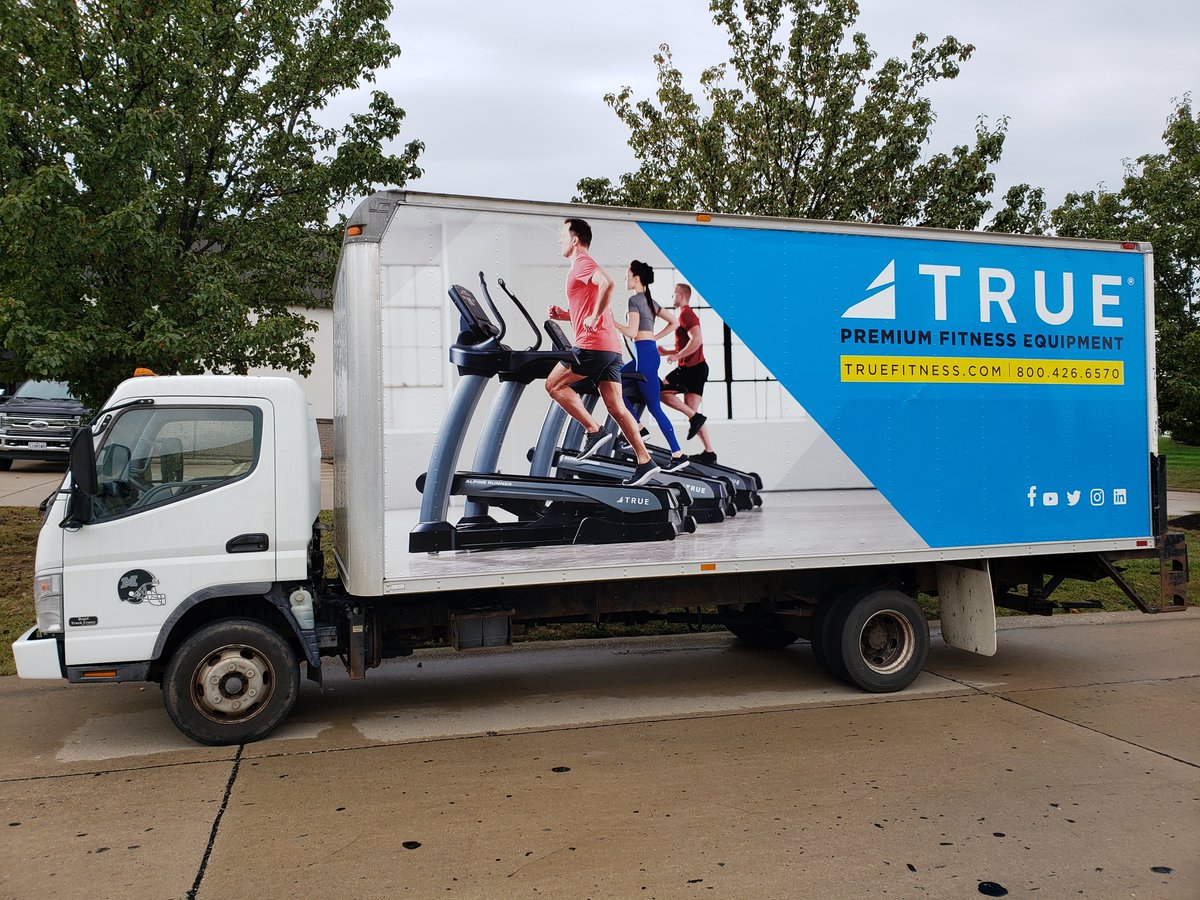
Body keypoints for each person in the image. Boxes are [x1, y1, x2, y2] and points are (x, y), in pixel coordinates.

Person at [546, 218, 661, 487]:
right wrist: (566, 314)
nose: (560, 239)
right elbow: (590, 303)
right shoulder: (581, 266)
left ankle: (594, 430)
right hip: (611, 348)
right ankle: (645, 460)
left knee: (553, 385)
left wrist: (594, 317)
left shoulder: (582, 262)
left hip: (592, 345)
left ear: (575, 239)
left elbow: (607, 284)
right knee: (617, 407)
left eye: (563, 234)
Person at [613, 260, 690, 472]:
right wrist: (653, 338)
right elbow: (674, 322)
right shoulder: (650, 301)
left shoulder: (634, 300)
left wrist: (613, 322)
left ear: (636, 278)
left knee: (653, 407)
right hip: (647, 354)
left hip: (645, 357)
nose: (625, 278)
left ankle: (677, 454)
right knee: (614, 384)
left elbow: (631, 332)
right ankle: (639, 427)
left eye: (628, 275)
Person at [658, 283, 716, 464]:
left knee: (660, 391)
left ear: (681, 295)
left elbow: (696, 339)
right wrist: (669, 352)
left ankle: (696, 418)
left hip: (691, 368)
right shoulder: (684, 314)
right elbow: (687, 344)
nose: (672, 297)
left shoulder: (685, 314)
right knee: (693, 413)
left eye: (674, 294)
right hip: (697, 368)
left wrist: (677, 356)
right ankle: (709, 452)